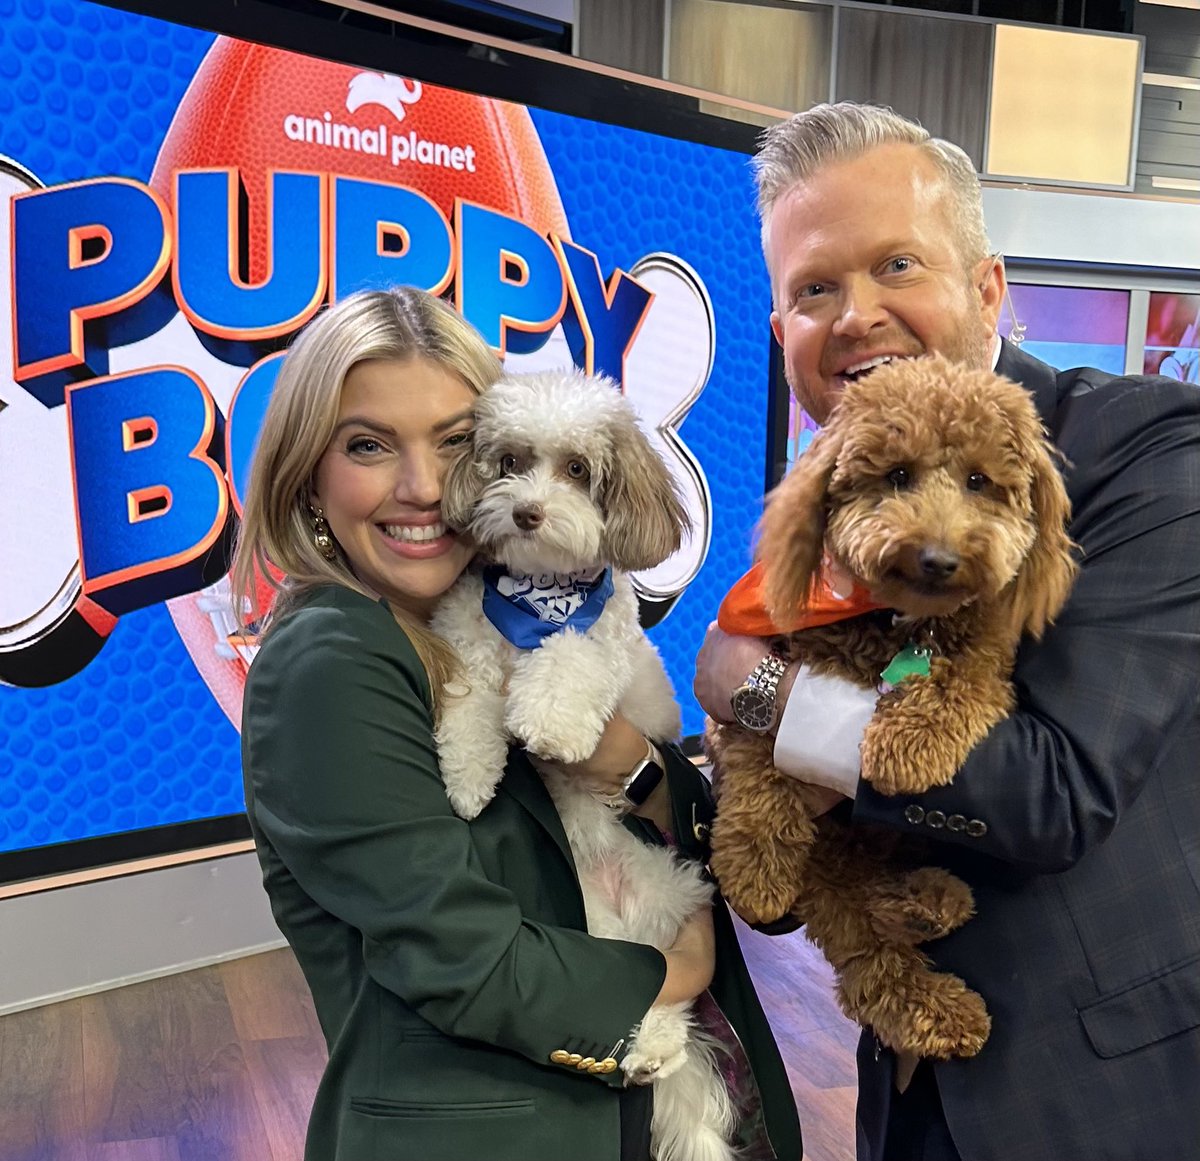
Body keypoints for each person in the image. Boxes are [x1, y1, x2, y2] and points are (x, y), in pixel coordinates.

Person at [694, 103, 1200, 1161]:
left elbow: (1056, 791)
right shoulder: (818, 512)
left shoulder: (1144, 451)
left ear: (986, 289)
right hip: (907, 1096)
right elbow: (787, 884)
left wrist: (763, 696)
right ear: (782, 331)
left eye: (897, 266)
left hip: (1109, 1099)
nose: (856, 315)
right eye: (814, 289)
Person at [232, 286, 802, 1161]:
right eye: (369, 445)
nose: (424, 488)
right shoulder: (331, 658)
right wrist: (679, 970)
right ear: (308, 468)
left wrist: (632, 763)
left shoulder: (483, 613)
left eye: (454, 444)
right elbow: (460, 954)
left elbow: (686, 811)